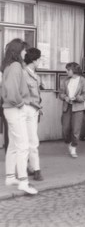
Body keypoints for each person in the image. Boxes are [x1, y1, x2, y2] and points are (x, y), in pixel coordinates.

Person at [1, 38, 38, 195]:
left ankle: (10, 176)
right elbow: (12, 89)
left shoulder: (8, 66)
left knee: (14, 145)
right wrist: (21, 104)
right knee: (23, 145)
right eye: (24, 50)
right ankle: (23, 181)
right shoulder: (16, 66)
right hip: (16, 109)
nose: (25, 53)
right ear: (17, 51)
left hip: (10, 109)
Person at [59, 62, 85, 158]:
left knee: (76, 130)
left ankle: (73, 146)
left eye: (68, 70)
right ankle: (69, 142)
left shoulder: (83, 81)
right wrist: (65, 97)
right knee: (65, 129)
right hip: (67, 107)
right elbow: (60, 93)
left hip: (78, 108)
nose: (66, 71)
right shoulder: (65, 80)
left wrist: (77, 98)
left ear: (74, 70)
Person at [23, 47, 44, 181]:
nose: (40, 62)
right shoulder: (23, 73)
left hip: (34, 110)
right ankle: (36, 169)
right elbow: (22, 94)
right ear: (34, 60)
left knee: (30, 140)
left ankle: (29, 167)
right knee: (31, 140)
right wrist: (35, 104)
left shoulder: (34, 74)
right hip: (27, 109)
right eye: (39, 59)